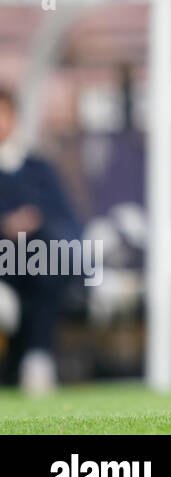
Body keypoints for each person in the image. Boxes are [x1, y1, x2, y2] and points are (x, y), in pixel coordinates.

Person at [0, 89, 83, 395]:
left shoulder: (39, 169)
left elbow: (65, 217)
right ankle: (33, 359)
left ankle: (33, 359)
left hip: (39, 261)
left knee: (47, 263)